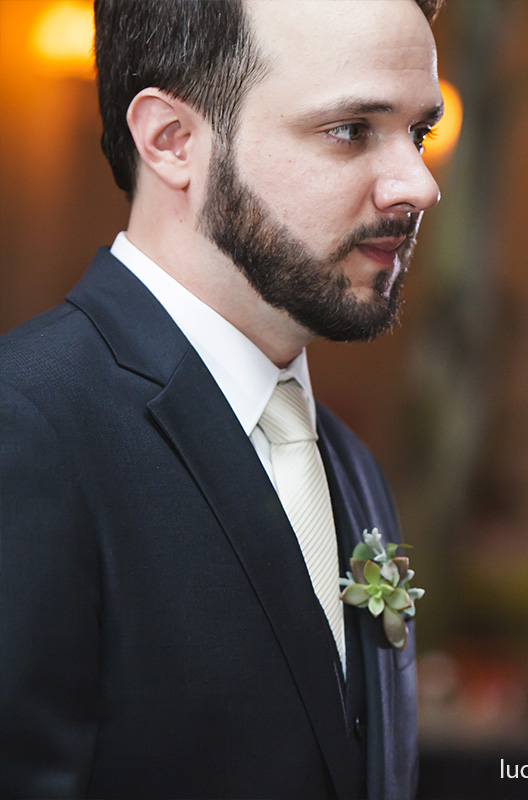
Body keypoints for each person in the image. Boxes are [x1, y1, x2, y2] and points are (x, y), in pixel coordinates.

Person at [0, 0, 444, 797]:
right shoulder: (27, 427)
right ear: (172, 140)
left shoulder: (347, 465)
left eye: (419, 133)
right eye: (351, 129)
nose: (418, 183)